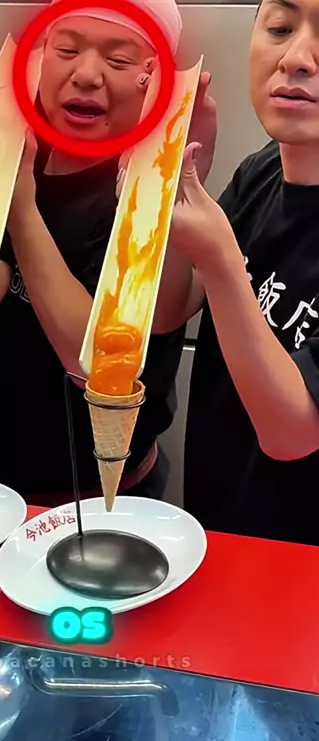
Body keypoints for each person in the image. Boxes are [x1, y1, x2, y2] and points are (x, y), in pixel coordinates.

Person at [0, 0, 188, 505]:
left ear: (153, 79)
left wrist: (21, 211)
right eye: (66, 50)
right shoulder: (14, 147)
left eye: (118, 59)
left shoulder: (150, 193)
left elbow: (96, 364)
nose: (85, 74)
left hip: (104, 494)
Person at [144, 0, 319, 546]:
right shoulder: (260, 171)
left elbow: (292, 432)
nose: (296, 58)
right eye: (280, 28)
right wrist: (175, 177)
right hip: (222, 532)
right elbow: (170, 308)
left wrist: (221, 261)